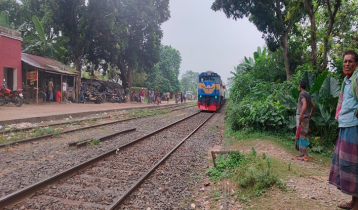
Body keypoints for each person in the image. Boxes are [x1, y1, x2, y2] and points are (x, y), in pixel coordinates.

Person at [329, 50, 358, 210]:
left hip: (354, 125)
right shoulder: (347, 81)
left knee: (355, 164)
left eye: (350, 61)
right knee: (349, 163)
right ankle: (353, 201)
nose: (347, 64)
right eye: (345, 61)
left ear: (356, 64)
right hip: (345, 124)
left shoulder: (357, 77)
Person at [295, 80, 315, 162]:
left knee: (302, 135)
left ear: (300, 86)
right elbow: (313, 106)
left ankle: (305, 156)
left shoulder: (302, 94)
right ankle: (302, 154)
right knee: (302, 135)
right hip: (306, 117)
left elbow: (305, 105)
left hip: (302, 117)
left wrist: (301, 115)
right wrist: (310, 114)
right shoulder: (308, 94)